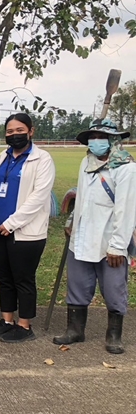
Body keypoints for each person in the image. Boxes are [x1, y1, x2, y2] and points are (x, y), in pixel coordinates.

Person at [54, 118, 136, 354]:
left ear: (112, 140)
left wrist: (117, 246)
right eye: (93, 137)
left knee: (113, 288)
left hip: (109, 238)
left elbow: (125, 209)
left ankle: (114, 335)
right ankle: (75, 329)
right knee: (78, 284)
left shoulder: (126, 168)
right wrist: (72, 221)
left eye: (101, 137)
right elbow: (81, 196)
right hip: (82, 235)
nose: (96, 141)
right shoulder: (86, 163)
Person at [0, 113, 56, 343]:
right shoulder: (2, 157)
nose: (14, 135)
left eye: (19, 130)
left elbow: (39, 197)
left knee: (23, 279)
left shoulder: (42, 159)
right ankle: (7, 320)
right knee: (3, 277)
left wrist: (11, 223)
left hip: (25, 232)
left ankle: (25, 325)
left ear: (31, 131)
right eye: (10, 131)